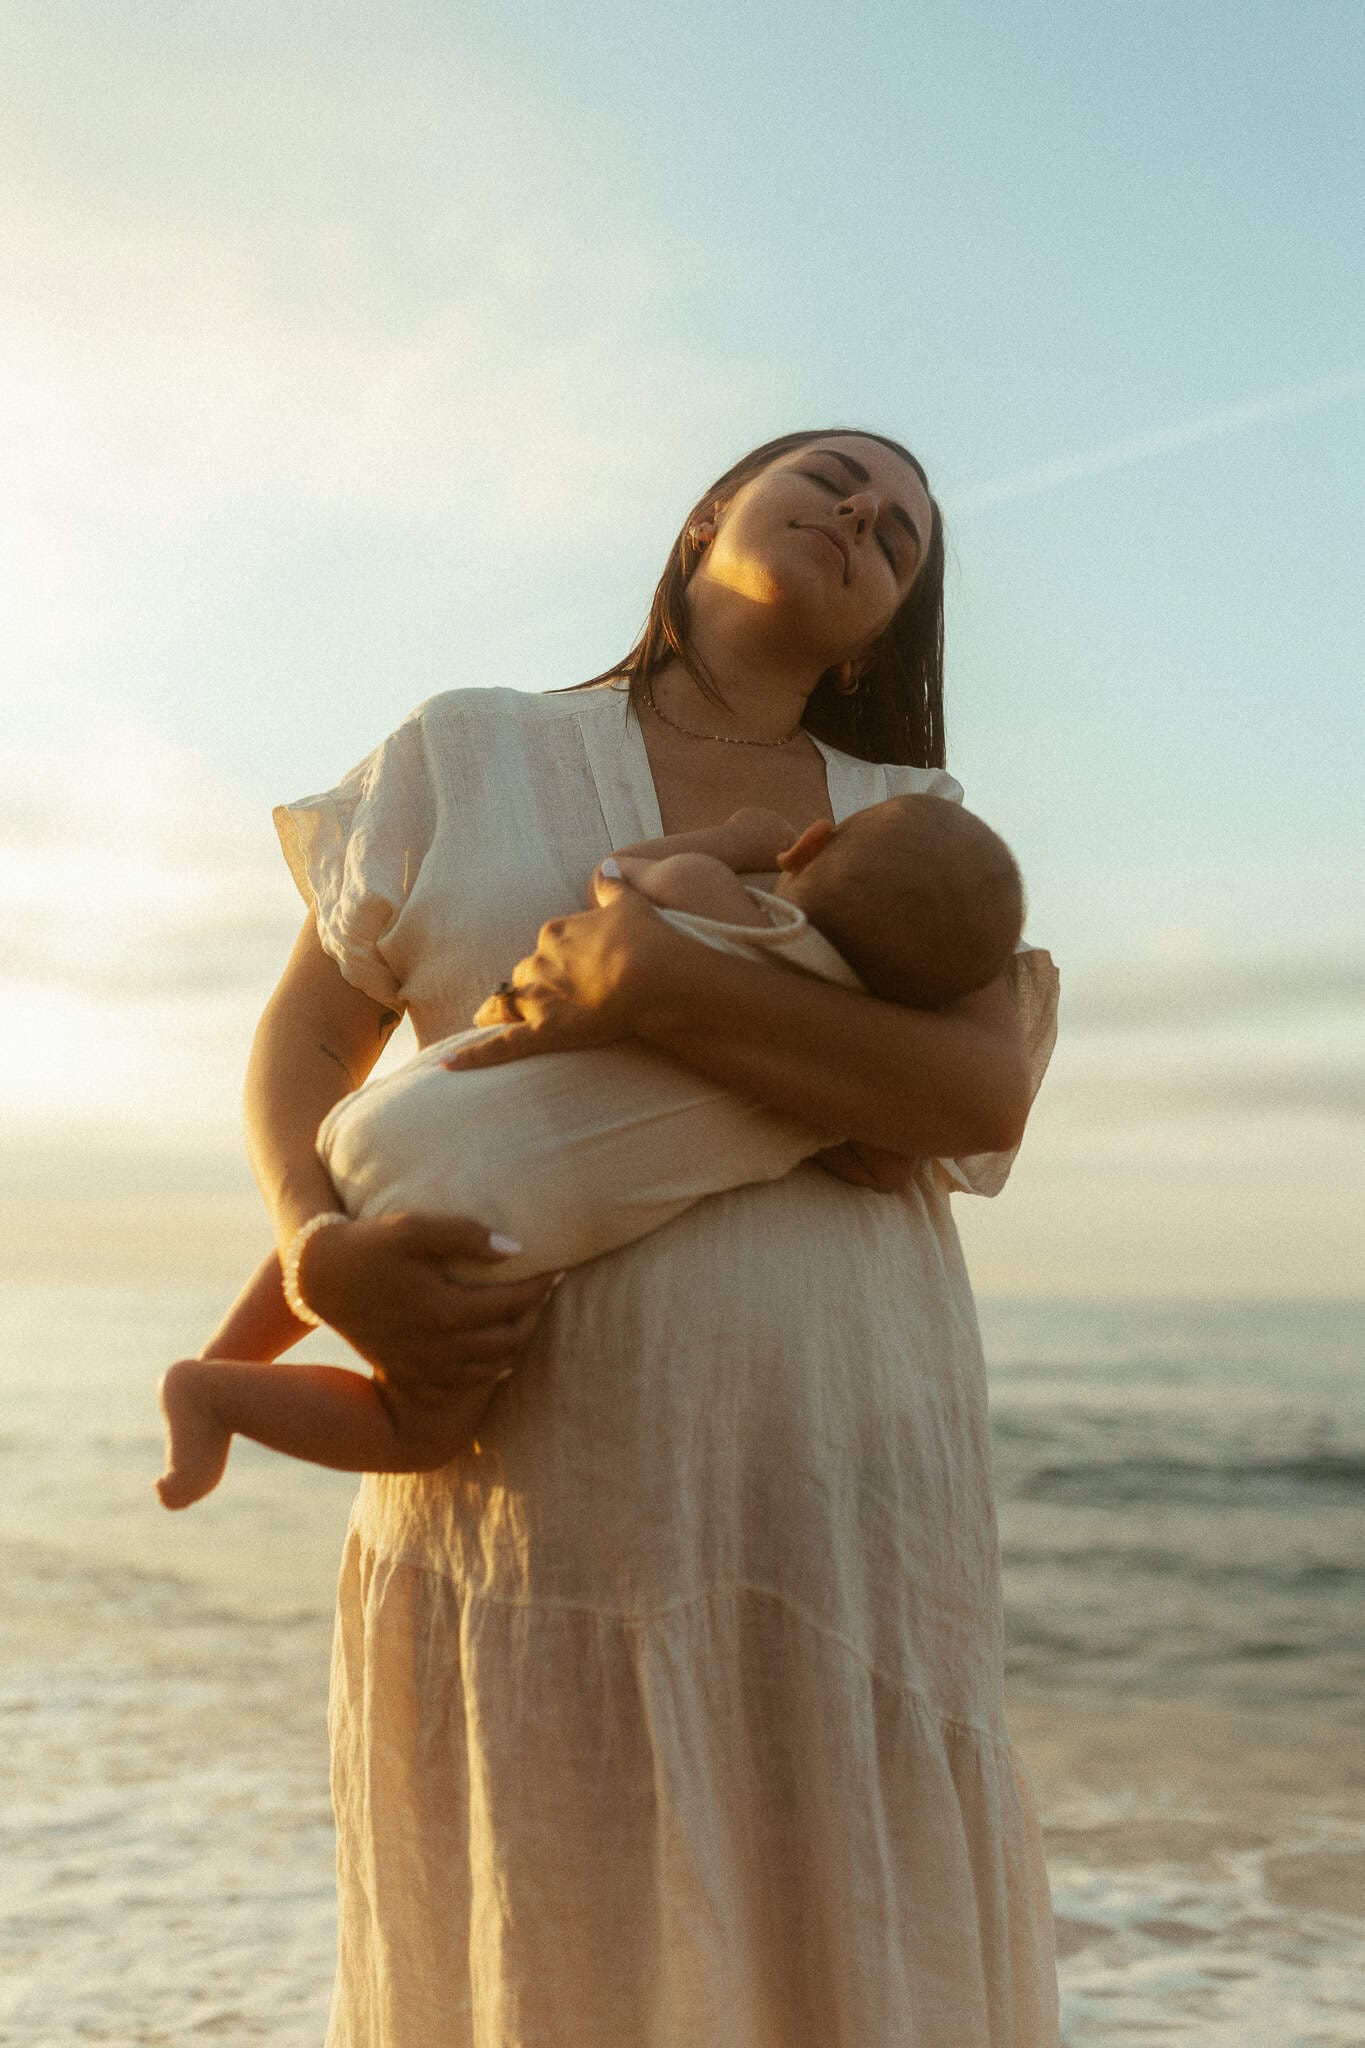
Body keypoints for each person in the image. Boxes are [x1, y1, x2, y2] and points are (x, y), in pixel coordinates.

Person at [186, 427, 1061, 2045]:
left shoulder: (913, 821)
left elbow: (967, 1096)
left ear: (882, 635)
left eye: (902, 536)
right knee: (555, 1956)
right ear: (709, 515)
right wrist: (314, 1249)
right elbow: (306, 1044)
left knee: (844, 1964)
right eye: (833, 478)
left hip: (847, 1510)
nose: (864, 514)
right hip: (532, 1502)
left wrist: (655, 982)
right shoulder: (470, 749)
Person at [156, 790, 1026, 1509]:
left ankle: (223, 1357)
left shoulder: (715, 900)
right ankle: (218, 1396)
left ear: (809, 845)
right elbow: (883, 1166)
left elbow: (614, 874)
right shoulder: (842, 1083)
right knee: (415, 1431)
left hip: (418, 1104)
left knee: (333, 1224)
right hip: (482, 1219)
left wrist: (728, 841)